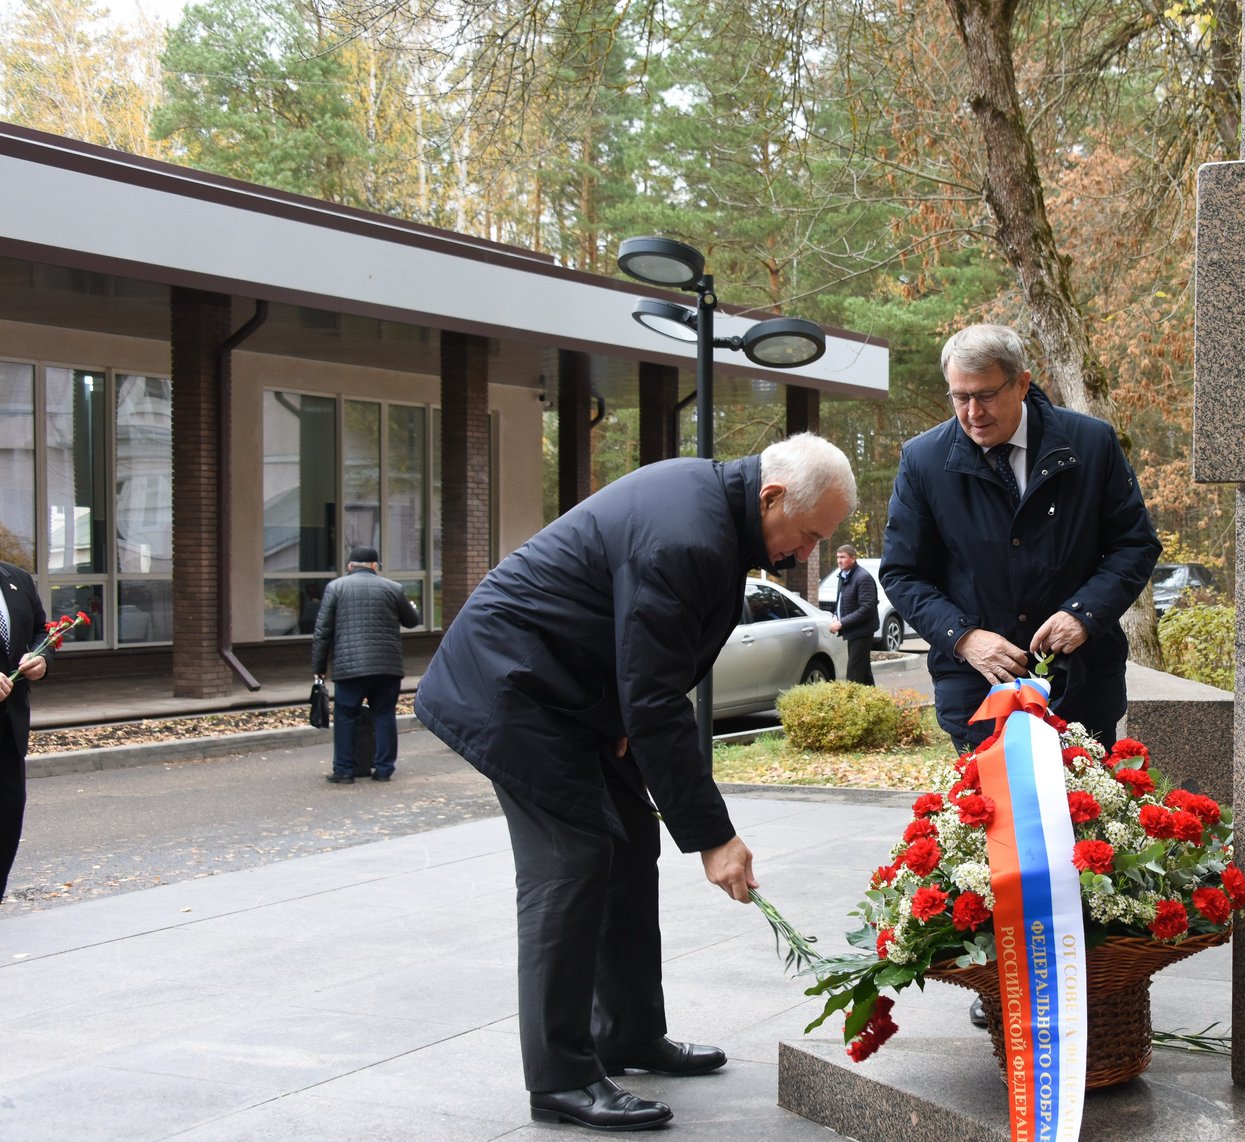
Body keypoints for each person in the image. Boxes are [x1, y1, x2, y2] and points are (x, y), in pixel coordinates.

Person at [414, 433, 856, 1133]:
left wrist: (624, 717)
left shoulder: (716, 515)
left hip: (575, 690)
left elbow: (646, 665)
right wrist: (714, 837)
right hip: (513, 687)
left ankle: (627, 1033)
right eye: (807, 536)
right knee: (572, 859)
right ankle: (561, 1079)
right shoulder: (689, 535)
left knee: (628, 844)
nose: (806, 555)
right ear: (771, 497)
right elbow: (655, 698)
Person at [881, 322, 1161, 753]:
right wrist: (964, 638)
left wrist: (1083, 615)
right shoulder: (923, 460)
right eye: (960, 397)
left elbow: (1135, 544)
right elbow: (902, 573)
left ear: (1022, 384)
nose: (973, 413)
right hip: (979, 694)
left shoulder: (1092, 444)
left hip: (1082, 688)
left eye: (986, 395)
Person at [311, 546, 420, 784]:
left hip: (349, 668)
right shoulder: (393, 588)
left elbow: (322, 631)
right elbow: (412, 621)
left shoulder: (335, 588)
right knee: (384, 714)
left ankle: (344, 771)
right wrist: (411, 605)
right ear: (374, 566)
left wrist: (319, 667)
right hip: (387, 667)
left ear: (350, 566)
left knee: (346, 716)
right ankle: (384, 770)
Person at [0, 559, 50, 901]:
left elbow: (41, 632)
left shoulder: (17, 579)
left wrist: (40, 659)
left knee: (7, 818)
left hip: (10, 727)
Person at [827, 544, 879, 685]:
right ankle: (872, 698)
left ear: (853, 558)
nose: (839, 560)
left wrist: (841, 623)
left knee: (854, 674)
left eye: (843, 557)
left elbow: (867, 608)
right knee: (864, 673)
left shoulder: (863, 577)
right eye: (838, 557)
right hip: (853, 631)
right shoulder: (843, 575)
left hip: (862, 631)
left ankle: (850, 699)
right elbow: (841, 600)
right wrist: (835, 615)